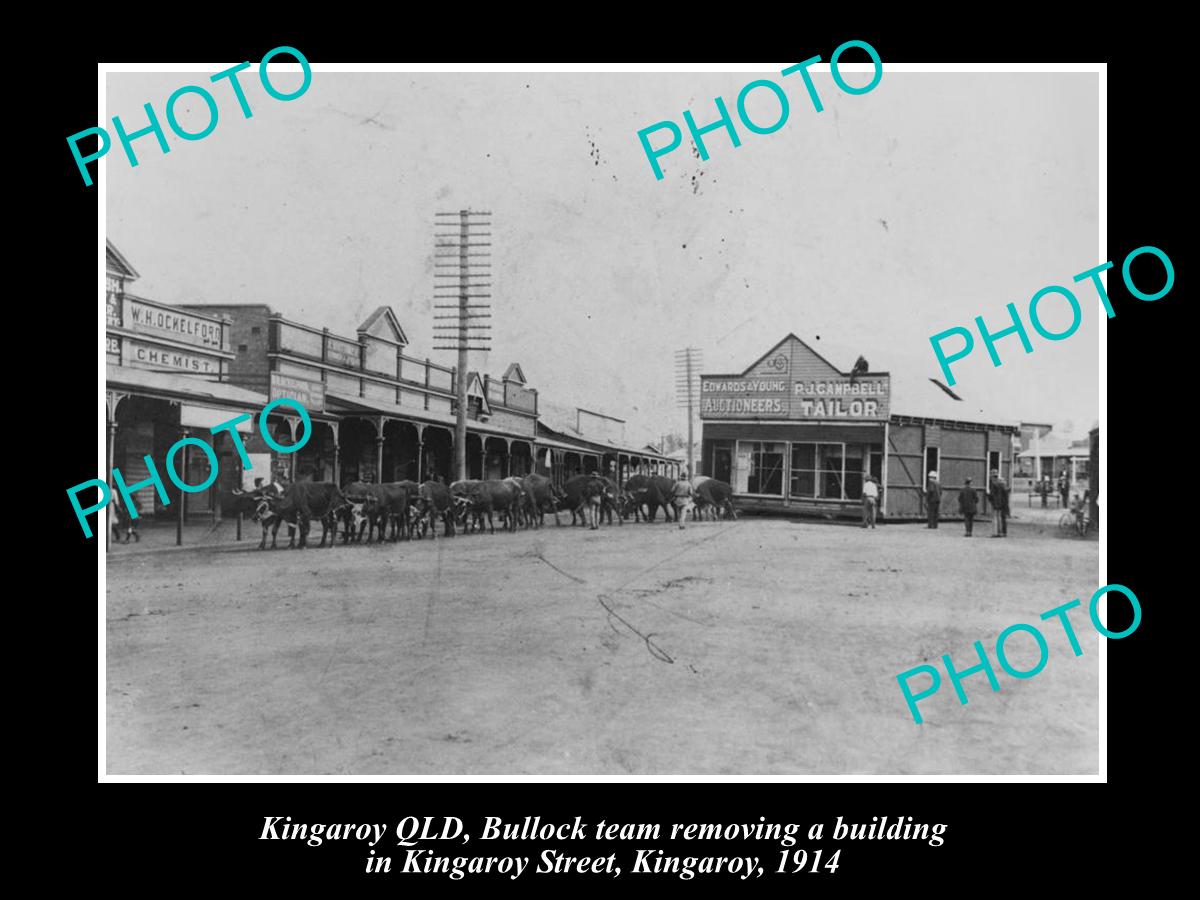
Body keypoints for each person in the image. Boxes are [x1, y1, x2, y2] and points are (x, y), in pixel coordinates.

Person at [989, 469, 1009, 537]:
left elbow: (992, 494)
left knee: (994, 518)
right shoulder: (1001, 484)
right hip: (1001, 503)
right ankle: (1000, 532)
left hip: (995, 503)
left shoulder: (993, 484)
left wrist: (990, 499)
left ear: (992, 475)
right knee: (999, 518)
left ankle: (995, 532)